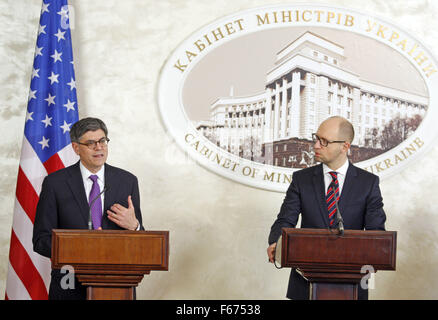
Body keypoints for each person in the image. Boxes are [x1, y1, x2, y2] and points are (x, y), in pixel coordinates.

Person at [267, 116, 386, 300]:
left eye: (324, 142)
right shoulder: (301, 179)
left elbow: (376, 234)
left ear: (345, 146)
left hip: (353, 288)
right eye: (316, 138)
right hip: (304, 286)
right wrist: (276, 241)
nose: (315, 145)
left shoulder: (368, 183)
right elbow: (285, 219)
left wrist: (375, 253)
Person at [33, 117, 144, 300]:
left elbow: (141, 242)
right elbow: (41, 240)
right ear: (76, 148)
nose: (98, 147)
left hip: (116, 283)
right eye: (90, 143)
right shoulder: (55, 183)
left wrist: (135, 227)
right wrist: (83, 247)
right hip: (68, 282)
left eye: (102, 141)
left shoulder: (127, 181)